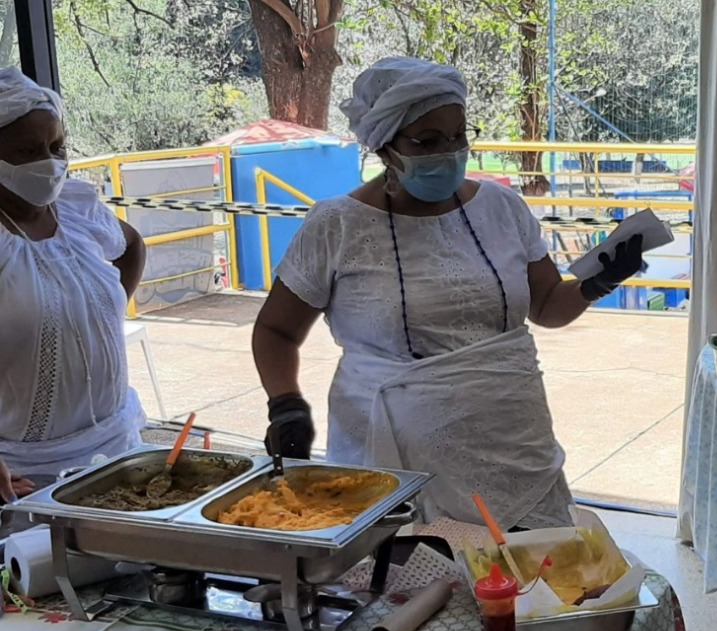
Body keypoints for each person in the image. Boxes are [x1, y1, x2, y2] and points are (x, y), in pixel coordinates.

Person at [252, 57, 643, 531]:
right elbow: (275, 330)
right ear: (385, 146)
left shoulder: (502, 207)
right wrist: (286, 405)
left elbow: (545, 307)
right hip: (392, 465)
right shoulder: (337, 225)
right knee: (412, 574)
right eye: (429, 141)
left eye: (459, 135)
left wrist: (596, 283)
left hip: (514, 448)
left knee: (534, 569)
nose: (451, 151)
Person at [0, 68, 146, 503]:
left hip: (117, 448)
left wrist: (99, 314)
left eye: (57, 146)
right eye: (29, 151)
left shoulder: (75, 208)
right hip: (24, 474)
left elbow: (131, 246)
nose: (50, 162)